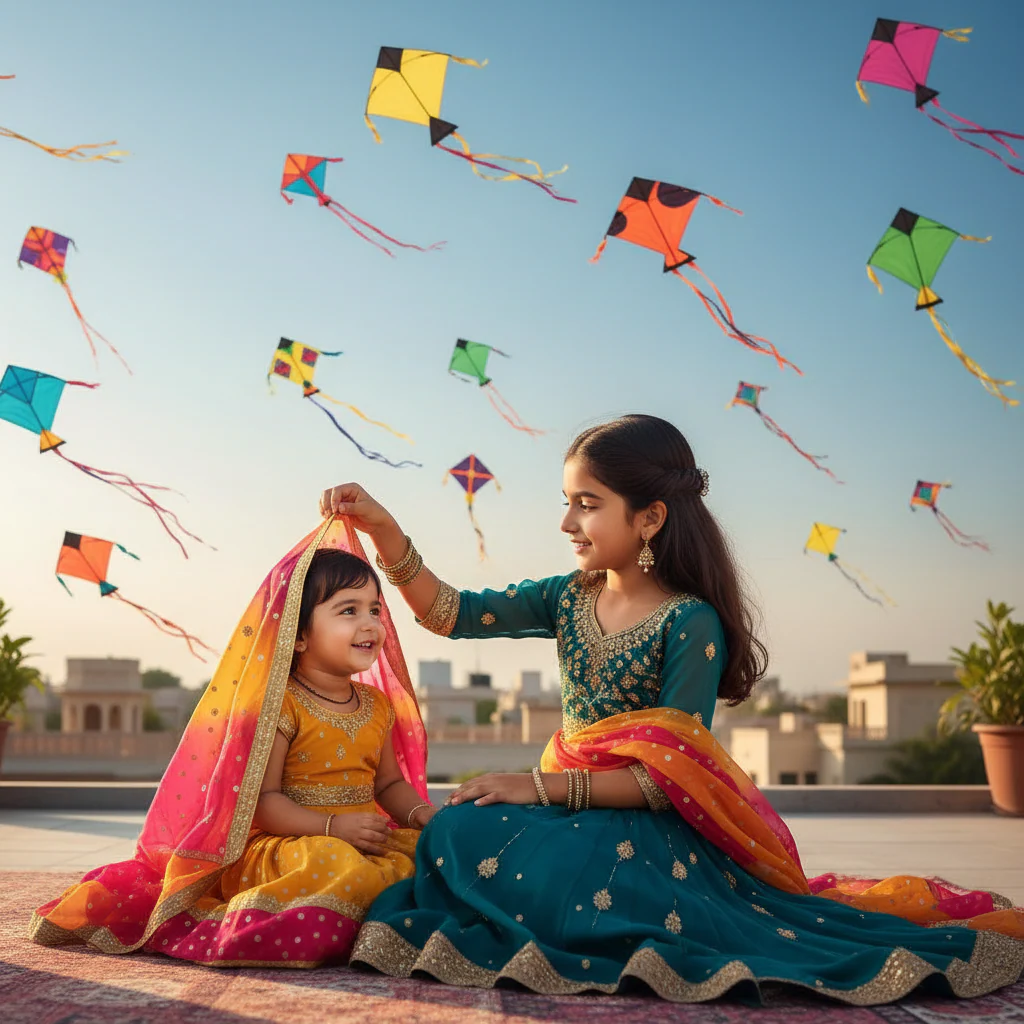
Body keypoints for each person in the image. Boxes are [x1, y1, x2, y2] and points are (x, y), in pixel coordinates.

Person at [322, 415, 1023, 1004]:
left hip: (647, 829)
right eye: (567, 501)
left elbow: (668, 778)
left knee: (546, 868)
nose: (567, 522)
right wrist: (384, 529)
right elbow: (450, 613)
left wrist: (534, 786)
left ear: (650, 517)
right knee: (455, 829)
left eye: (587, 504)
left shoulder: (690, 623)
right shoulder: (568, 596)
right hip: (566, 807)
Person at [30, 518, 433, 967]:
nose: (370, 624)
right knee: (340, 867)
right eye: (348, 611)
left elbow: (388, 784)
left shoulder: (377, 705)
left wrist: (422, 815)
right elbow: (264, 802)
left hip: (361, 837)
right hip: (298, 842)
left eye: (375, 610)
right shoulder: (280, 704)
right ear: (298, 634)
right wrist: (332, 827)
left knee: (430, 859)